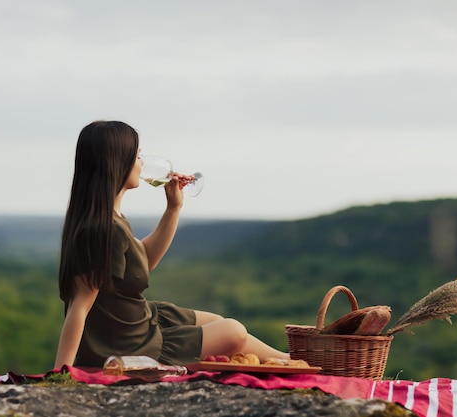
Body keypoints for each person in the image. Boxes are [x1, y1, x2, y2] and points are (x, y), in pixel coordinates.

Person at [54, 120, 289, 369]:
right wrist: (61, 373)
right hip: (129, 346)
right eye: (137, 156)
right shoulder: (102, 229)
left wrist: (173, 208)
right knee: (233, 331)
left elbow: (143, 259)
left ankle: (291, 360)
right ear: (116, 162)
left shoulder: (110, 219)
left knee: (217, 321)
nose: (142, 163)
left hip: (137, 323)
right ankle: (294, 361)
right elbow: (80, 305)